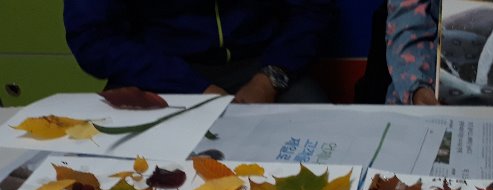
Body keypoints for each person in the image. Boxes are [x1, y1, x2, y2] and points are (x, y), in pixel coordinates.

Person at [63, 0, 337, 103]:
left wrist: (269, 79)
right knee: (117, 173)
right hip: (155, 71)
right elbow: (92, 37)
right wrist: (194, 87)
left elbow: (312, 10)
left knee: (325, 145)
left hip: (263, 64)